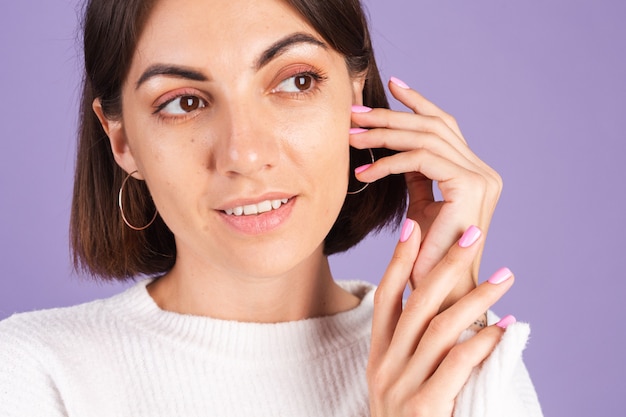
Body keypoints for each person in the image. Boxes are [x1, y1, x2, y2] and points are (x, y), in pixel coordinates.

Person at [0, 0, 542, 415]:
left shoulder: (459, 358)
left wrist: (445, 327)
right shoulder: (34, 370)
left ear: (357, 97)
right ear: (121, 140)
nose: (246, 154)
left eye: (296, 81)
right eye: (185, 103)